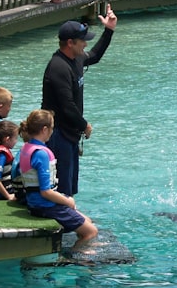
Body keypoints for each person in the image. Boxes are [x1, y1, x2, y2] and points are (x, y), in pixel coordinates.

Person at [40, 10, 118, 197]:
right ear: (70, 43)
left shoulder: (76, 59)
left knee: (70, 185)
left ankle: (70, 215)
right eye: (82, 40)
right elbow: (67, 106)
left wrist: (109, 30)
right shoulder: (58, 67)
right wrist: (85, 125)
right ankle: (62, 220)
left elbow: (95, 56)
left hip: (71, 133)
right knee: (61, 186)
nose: (86, 43)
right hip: (58, 133)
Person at [18, 109, 99, 252]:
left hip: (34, 203)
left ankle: (83, 247)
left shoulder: (27, 147)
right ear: (44, 129)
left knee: (88, 222)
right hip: (46, 206)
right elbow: (45, 192)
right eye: (52, 127)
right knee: (91, 232)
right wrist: (67, 200)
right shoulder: (41, 154)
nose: (52, 131)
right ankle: (75, 256)